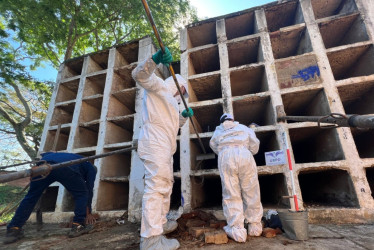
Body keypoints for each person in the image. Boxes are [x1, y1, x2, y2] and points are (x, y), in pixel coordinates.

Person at [132, 47, 192, 250]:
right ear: (176, 83)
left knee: (166, 185)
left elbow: (174, 127)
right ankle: (150, 240)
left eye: (183, 93)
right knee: (157, 187)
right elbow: (139, 75)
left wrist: (183, 116)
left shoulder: (174, 105)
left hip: (165, 146)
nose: (181, 94)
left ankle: (161, 223)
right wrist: (154, 60)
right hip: (154, 142)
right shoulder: (158, 86)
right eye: (181, 90)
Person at [4, 152, 97, 244]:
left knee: (31, 197)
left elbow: (44, 154)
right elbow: (89, 189)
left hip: (42, 165)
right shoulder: (90, 167)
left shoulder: (65, 155)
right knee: (82, 194)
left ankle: (14, 229)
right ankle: (78, 225)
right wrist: (88, 212)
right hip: (65, 167)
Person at [210, 113, 263, 242]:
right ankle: (255, 226)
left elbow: (214, 146)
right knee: (251, 190)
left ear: (221, 121)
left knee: (231, 191)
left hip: (226, 155)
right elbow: (255, 145)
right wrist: (245, 151)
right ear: (233, 119)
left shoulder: (218, 130)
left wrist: (225, 152)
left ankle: (237, 230)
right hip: (244, 153)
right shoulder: (244, 127)